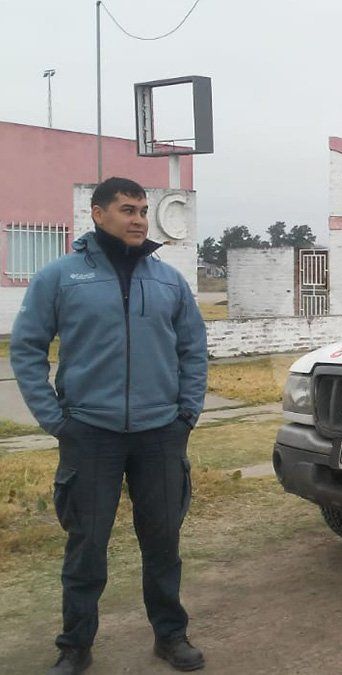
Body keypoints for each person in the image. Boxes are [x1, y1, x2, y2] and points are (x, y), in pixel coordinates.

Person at [10, 177, 208, 674]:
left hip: (161, 433)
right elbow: (27, 348)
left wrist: (186, 414)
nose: (139, 218)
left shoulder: (168, 281)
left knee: (163, 542)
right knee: (86, 547)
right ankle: (75, 646)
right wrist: (57, 421)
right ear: (98, 214)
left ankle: (171, 635)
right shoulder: (60, 277)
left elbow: (193, 350)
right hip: (90, 434)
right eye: (127, 209)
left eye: (143, 209)